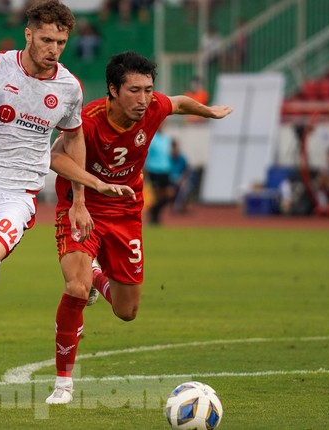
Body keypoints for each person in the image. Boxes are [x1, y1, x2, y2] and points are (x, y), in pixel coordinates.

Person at [0, 0, 135, 408]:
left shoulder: (69, 87)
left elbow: (73, 141)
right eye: (48, 39)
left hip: (18, 193)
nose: (54, 48)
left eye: (62, 42)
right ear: (29, 34)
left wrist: (80, 200)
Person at [46, 51, 233, 404]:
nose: (144, 99)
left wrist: (210, 112)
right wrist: (84, 197)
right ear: (113, 90)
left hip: (126, 212)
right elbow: (55, 157)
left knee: (126, 311)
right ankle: (63, 383)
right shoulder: (88, 119)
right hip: (81, 206)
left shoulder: (153, 108)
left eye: (148, 90)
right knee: (74, 287)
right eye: (135, 90)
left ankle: (97, 276)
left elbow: (178, 102)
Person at [144, 122, 172, 224]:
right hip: (154, 170)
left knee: (169, 194)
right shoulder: (152, 139)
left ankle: (154, 212)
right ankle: (154, 217)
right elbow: (145, 155)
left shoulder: (166, 139)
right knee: (157, 196)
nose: (162, 127)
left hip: (165, 170)